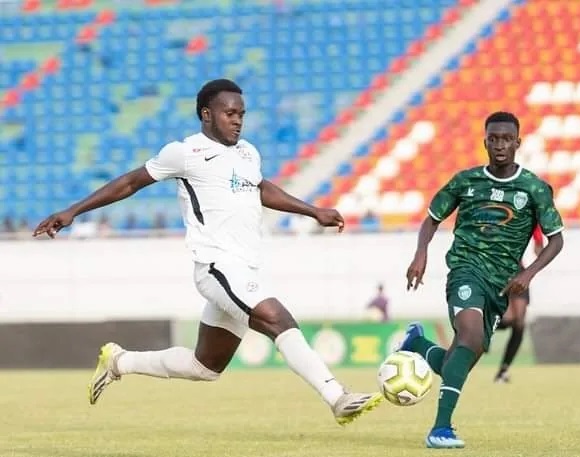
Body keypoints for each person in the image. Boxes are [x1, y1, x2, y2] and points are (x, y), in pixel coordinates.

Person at [32, 78, 382, 425]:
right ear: (206, 114)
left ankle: (120, 361)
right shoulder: (185, 153)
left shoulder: (247, 152)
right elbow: (130, 182)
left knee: (206, 366)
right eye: (230, 113)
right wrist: (73, 211)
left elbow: (261, 188)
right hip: (217, 266)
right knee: (278, 318)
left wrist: (313, 211)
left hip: (245, 267)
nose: (238, 120)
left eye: (241, 114)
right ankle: (337, 397)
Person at [399, 111, 564, 449]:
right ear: (485, 142)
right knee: (470, 337)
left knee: (461, 359)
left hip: (501, 285)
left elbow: (556, 239)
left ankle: (417, 344)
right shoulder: (465, 181)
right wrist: (420, 253)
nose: (500, 145)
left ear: (518, 143)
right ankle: (440, 429)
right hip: (465, 270)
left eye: (507, 139)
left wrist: (528, 273)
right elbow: (431, 219)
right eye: (494, 139)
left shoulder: (533, 188)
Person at [493, 224, 544, 383]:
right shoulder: (499, 215)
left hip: (518, 270)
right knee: (507, 320)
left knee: (519, 322)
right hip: (496, 269)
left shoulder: (532, 218)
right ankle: (483, 327)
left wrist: (541, 256)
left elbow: (538, 244)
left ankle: (503, 370)